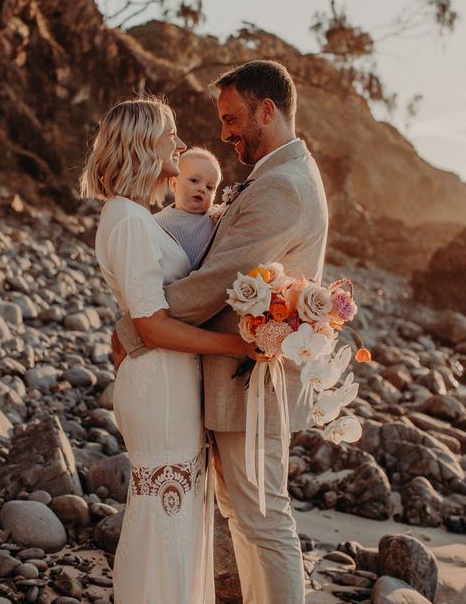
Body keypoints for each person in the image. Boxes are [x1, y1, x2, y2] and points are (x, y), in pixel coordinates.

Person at [117, 61, 329, 604]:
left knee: (263, 520)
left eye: (233, 118)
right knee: (247, 514)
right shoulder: (277, 176)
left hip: (250, 382)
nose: (224, 132)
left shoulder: (283, 186)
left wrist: (139, 327)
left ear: (267, 110)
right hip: (237, 379)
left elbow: (216, 281)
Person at [79, 97, 260, 604]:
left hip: (169, 382)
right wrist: (236, 345)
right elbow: (152, 325)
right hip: (157, 383)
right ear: (142, 144)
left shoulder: (139, 215)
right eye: (170, 135)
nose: (180, 145)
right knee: (165, 516)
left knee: (174, 515)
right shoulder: (130, 221)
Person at [154, 146, 222, 269]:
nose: (202, 189)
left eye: (210, 187)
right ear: (174, 184)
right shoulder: (157, 223)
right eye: (194, 180)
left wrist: (222, 216)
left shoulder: (215, 218)